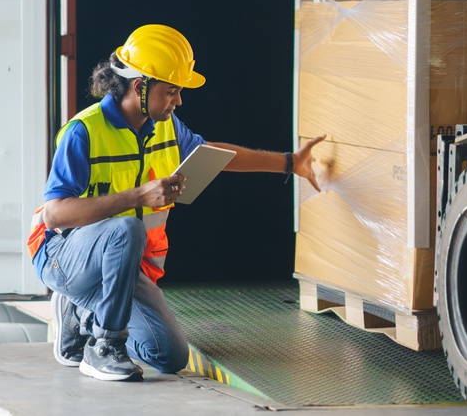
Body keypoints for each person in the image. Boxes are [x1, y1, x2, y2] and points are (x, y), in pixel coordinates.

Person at [26, 24, 325, 381]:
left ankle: (84, 315)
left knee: (167, 355)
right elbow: (56, 213)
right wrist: (139, 196)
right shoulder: (84, 132)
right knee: (126, 227)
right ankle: (102, 347)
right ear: (140, 87)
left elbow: (215, 156)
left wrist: (290, 162)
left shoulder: (165, 126)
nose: (178, 100)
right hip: (61, 258)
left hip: (122, 267)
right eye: (171, 91)